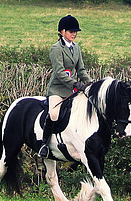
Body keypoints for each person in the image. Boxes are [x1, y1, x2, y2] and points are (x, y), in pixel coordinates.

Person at [38, 14, 92, 158]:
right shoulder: (56, 49)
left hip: (73, 90)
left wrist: (90, 83)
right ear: (62, 32)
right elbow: (60, 72)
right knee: (54, 114)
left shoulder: (77, 48)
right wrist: (75, 83)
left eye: (75, 32)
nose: (74, 34)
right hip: (58, 89)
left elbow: (81, 70)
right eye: (71, 31)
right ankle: (44, 144)